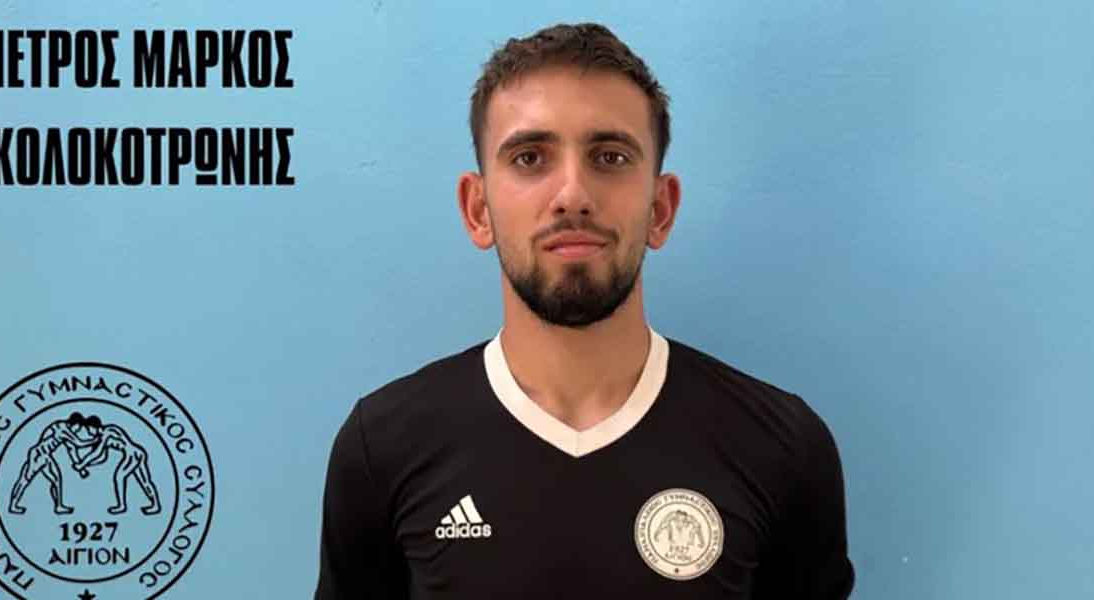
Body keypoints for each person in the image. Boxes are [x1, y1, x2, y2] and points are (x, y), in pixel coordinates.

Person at [316, 22, 855, 599]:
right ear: (478, 210)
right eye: (530, 157)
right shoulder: (383, 448)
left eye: (610, 156)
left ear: (660, 210)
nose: (572, 194)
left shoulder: (782, 448)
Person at [7, 412, 100, 515]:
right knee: (25, 480)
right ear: (74, 424)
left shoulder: (67, 432)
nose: (76, 431)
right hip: (38, 454)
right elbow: (78, 443)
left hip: (46, 456)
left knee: (56, 479)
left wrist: (80, 468)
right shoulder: (62, 428)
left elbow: (71, 449)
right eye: (77, 428)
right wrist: (95, 440)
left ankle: (59, 506)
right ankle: (13, 505)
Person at [73, 415, 162, 515]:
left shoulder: (108, 432)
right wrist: (86, 465)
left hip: (132, 454)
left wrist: (82, 464)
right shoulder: (102, 437)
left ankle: (122, 506)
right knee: (144, 481)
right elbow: (102, 457)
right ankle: (155, 505)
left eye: (89, 429)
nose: (89, 432)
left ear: (94, 427)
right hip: (138, 453)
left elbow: (97, 453)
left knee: (120, 477)